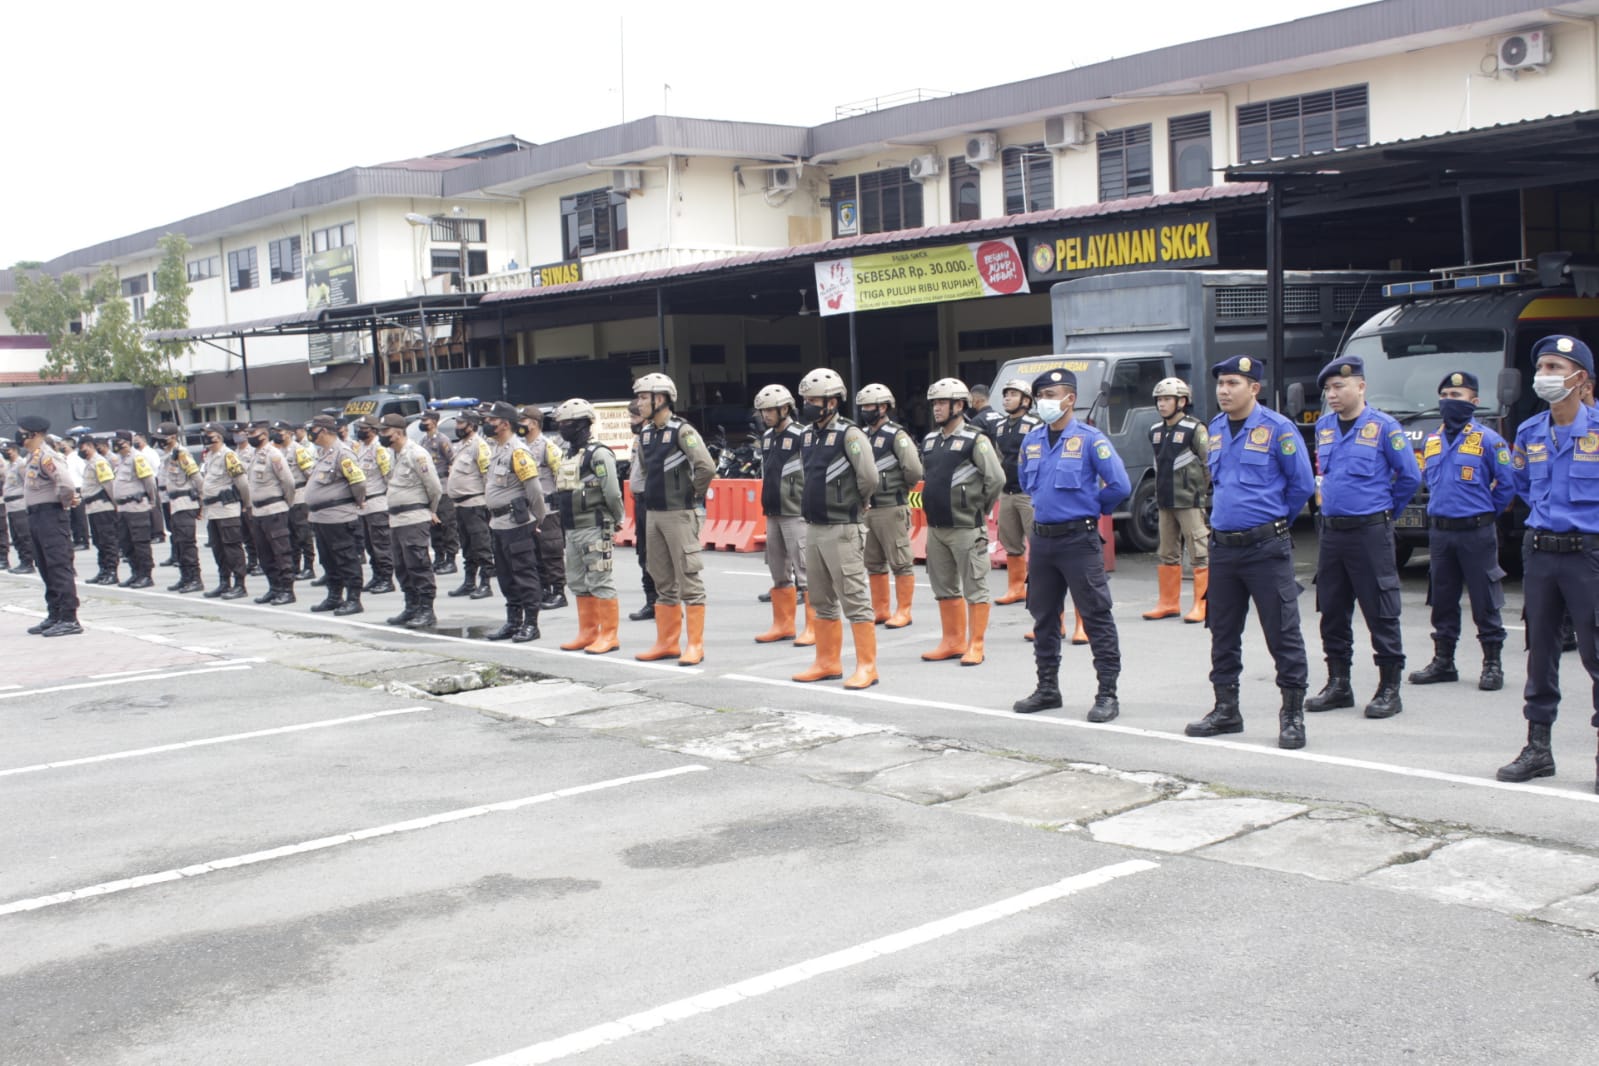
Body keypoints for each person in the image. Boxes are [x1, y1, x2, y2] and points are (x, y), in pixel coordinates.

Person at [1183, 355, 1317, 748]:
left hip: (1266, 547)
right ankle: (1226, 709)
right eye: (1221, 383)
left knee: (1283, 633)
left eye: (1233, 383)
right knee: (1222, 632)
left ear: (1254, 388)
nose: (1224, 390)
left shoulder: (1278, 429)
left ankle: (1292, 715)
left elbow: (1301, 487)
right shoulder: (1217, 429)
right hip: (1224, 548)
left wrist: (1271, 522)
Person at [1498, 335, 1599, 792]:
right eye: (1542, 367)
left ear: (1581, 379)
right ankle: (1538, 749)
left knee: (1596, 655)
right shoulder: (1530, 431)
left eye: (1556, 367)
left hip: (1588, 555)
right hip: (1540, 553)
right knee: (1541, 655)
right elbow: (1521, 481)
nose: (1546, 376)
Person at [1303, 355, 1422, 720]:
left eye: (1340, 386)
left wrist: (1384, 512)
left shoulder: (1384, 427)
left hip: (1370, 531)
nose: (1333, 394)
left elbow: (1410, 478)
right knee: (1333, 610)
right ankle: (1339, 683)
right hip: (1333, 532)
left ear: (1361, 386)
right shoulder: (1324, 427)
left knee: (1380, 610)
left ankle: (1389, 687)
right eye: (1328, 389)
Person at [1010, 369, 1131, 719]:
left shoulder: (1091, 439)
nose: (1045, 402)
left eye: (1052, 394)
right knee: (1044, 617)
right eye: (1041, 395)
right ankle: (1047, 688)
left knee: (1096, 615)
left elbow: (1120, 486)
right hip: (1043, 541)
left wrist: (1093, 509)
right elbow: (1025, 482)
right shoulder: (1032, 440)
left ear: (1070, 399)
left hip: (1079, 539)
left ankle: (1107, 693)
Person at [1410, 371, 1515, 690]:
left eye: (1456, 396)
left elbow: (1507, 485)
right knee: (1442, 599)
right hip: (1441, 534)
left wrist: (1482, 514)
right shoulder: (1432, 440)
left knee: (1485, 598)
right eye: (1444, 396)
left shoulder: (1488, 439)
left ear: (1474, 401)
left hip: (1476, 532)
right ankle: (1444, 661)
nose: (1448, 402)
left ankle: (1492, 664)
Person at [791, 367, 881, 688]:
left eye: (813, 399)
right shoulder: (807, 434)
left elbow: (869, 477)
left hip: (843, 526)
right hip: (814, 526)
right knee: (820, 598)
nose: (807, 405)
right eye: (805, 399)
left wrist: (859, 501)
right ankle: (827, 662)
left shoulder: (850, 434)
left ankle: (867, 666)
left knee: (854, 597)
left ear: (832, 402)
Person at [919, 378, 1005, 667]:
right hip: (937, 527)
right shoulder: (930, 440)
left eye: (942, 402)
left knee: (975, 587)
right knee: (943, 587)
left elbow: (996, 478)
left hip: (967, 527)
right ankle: (951, 641)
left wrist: (977, 506)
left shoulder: (975, 439)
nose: (937, 408)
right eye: (934, 403)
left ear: (959, 405)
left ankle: (975, 644)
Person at [632, 372, 716, 665]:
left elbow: (706, 466)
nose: (639, 403)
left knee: (688, 578)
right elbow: (643, 470)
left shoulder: (683, 431)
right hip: (653, 514)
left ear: (662, 398)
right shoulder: (645, 433)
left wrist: (692, 496)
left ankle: (695, 645)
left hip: (679, 514)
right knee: (661, 579)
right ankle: (666, 643)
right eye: (639, 397)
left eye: (644, 397)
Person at [551, 398, 625, 654]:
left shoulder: (599, 453)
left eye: (567, 423)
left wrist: (617, 519)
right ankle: (588, 633)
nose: (562, 428)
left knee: (600, 579)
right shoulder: (568, 454)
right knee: (577, 581)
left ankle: (609, 636)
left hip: (594, 524)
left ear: (583, 424)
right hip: (571, 528)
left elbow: (613, 492)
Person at [1142, 377, 1211, 623]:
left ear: (1182, 401)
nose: (1161, 404)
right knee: (1167, 552)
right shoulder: (1155, 431)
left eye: (1167, 399)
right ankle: (1168, 603)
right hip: (1165, 500)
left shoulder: (1195, 429)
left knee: (1199, 552)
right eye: (1159, 399)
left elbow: (1207, 464)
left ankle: (1203, 605)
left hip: (1189, 500)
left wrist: (1201, 492)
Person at [856, 383, 923, 630]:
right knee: (873, 561)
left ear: (883, 407)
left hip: (891, 507)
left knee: (900, 561)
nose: (865, 410)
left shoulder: (897, 435)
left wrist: (899, 489)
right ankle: (880, 609)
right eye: (862, 406)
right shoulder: (864, 435)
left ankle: (904, 611)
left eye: (869, 406)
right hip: (869, 508)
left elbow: (914, 470)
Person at [481, 401, 547, 642]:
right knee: (506, 576)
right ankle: (513, 621)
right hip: (498, 524)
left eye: (491, 420)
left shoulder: (518, 452)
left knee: (524, 574)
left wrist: (536, 520)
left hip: (517, 524)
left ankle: (531, 623)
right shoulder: (496, 449)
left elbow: (535, 492)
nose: (487, 424)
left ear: (505, 424)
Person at [752, 383, 812, 645]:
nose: (765, 416)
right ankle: (783, 625)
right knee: (778, 571)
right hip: (773, 512)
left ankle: (813, 627)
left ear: (785, 409)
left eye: (769, 410)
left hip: (795, 511)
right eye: (762, 411)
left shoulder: (802, 435)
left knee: (806, 571)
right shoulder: (766, 438)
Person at [377, 413, 443, 629]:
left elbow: (434, 487)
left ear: (397, 432)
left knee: (418, 563)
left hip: (414, 517)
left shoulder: (417, 454)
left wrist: (429, 510)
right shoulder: (394, 454)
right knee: (401, 565)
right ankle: (411, 605)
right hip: (397, 519)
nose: (381, 435)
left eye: (385, 431)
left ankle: (426, 609)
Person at [16, 416, 81, 635]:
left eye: (22, 431)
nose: (19, 435)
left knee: (58, 566)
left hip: (50, 516)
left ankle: (69, 618)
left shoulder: (47, 456)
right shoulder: (33, 457)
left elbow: (66, 484)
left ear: (33, 434)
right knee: (45, 566)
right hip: (36, 517)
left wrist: (62, 505)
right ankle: (55, 614)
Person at [303, 414, 369, 615]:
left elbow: (358, 483)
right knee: (327, 559)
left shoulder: (343, 453)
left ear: (323, 430)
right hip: (321, 517)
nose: (310, 434)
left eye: (313, 429)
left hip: (339, 516)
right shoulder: (323, 453)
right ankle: (334, 596)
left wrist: (356, 503)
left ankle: (353, 599)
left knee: (346, 558)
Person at [993, 378, 1044, 609]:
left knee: (1037, 540)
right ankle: (1016, 588)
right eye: (1006, 394)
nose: (1007, 398)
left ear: (1026, 400)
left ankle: (1039, 587)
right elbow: (999, 458)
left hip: (1028, 493)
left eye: (1012, 394)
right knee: (1010, 541)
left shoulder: (1036, 425)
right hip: (1007, 491)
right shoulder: (1000, 426)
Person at [519, 405, 569, 610]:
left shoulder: (548, 447)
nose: (519, 425)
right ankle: (543, 589)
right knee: (535, 553)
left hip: (549, 510)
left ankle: (558, 592)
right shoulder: (521, 447)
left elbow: (562, 477)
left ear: (533, 423)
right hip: (529, 510)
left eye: (522, 421)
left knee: (551, 551)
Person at [243, 420, 298, 605]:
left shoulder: (273, 454)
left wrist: (286, 503)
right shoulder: (253, 455)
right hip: (258, 511)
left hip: (274, 509)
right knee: (265, 554)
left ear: (264, 435)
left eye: (253, 433)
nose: (249, 436)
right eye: (248, 433)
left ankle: (287, 590)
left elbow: (289, 483)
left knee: (281, 552)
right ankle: (274, 588)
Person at [445, 410, 496, 601]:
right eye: (457, 422)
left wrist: (488, 503)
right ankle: (469, 582)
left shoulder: (479, 446)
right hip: (461, 506)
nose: (457, 427)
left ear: (472, 426)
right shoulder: (462, 446)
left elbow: (486, 476)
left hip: (475, 503)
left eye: (461, 423)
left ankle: (485, 583)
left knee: (481, 545)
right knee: (467, 546)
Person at [198, 421, 252, 600]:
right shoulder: (209, 455)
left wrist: (246, 504)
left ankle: (239, 584)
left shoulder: (228, 456)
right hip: (213, 510)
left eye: (209, 434)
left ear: (219, 437)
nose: (205, 437)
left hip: (226, 509)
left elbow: (242, 482)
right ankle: (224, 582)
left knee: (232, 548)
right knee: (218, 548)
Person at [109, 429, 163, 588]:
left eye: (119, 442)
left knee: (141, 543)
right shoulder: (120, 460)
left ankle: (146, 575)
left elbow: (149, 482)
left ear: (127, 443)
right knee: (126, 543)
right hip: (123, 508)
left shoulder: (137, 458)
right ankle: (135, 573)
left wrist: (152, 501)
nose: (116, 445)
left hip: (137, 508)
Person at [154, 423, 204, 594]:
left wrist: (202, 499)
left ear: (173, 437)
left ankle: (195, 578)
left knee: (187, 542)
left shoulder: (181, 454)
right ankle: (185, 577)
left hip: (184, 502)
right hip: (172, 503)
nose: (160, 442)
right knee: (178, 542)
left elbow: (196, 477)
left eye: (163, 439)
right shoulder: (168, 456)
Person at [351, 415, 396, 596]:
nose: (360, 431)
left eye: (364, 428)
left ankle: (386, 578)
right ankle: (377, 575)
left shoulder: (379, 450)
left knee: (381, 545)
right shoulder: (360, 448)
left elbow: (389, 478)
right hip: (363, 505)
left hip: (377, 503)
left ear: (373, 430)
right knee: (369, 546)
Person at [626, 398, 659, 622]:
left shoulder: (652, 437)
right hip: (639, 501)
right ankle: (651, 600)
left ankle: (661, 601)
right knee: (643, 554)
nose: (632, 421)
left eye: (635, 417)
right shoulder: (639, 439)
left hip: (651, 501)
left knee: (654, 554)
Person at [418, 410, 458, 575]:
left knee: (447, 524)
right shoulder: (423, 441)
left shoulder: (442, 440)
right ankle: (439, 557)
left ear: (434, 421)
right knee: (434, 526)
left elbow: (452, 461)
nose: (423, 423)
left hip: (443, 487)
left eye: (426, 420)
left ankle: (451, 559)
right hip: (430, 488)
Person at [78, 434, 120, 585]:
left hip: (103, 507)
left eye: (82, 447)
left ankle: (111, 572)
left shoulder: (99, 462)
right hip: (93, 508)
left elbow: (108, 485)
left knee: (108, 541)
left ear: (89, 446)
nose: (80, 450)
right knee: (98, 541)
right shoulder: (89, 463)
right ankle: (103, 570)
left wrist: (116, 505)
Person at [284, 422, 318, 581]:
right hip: (286, 498)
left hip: (299, 495)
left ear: (289, 433)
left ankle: (309, 566)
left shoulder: (298, 450)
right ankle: (294, 566)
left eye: (281, 431)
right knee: (290, 535)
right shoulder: (277, 449)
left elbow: (310, 474)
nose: (278, 435)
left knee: (303, 533)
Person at [2, 439, 35, 574]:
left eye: (7, 451)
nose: (4, 453)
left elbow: (27, 485)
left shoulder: (21, 465)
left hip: (20, 504)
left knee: (24, 536)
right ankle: (23, 560)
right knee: (16, 536)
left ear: (15, 450)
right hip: (10, 506)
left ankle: (28, 563)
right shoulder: (9, 465)